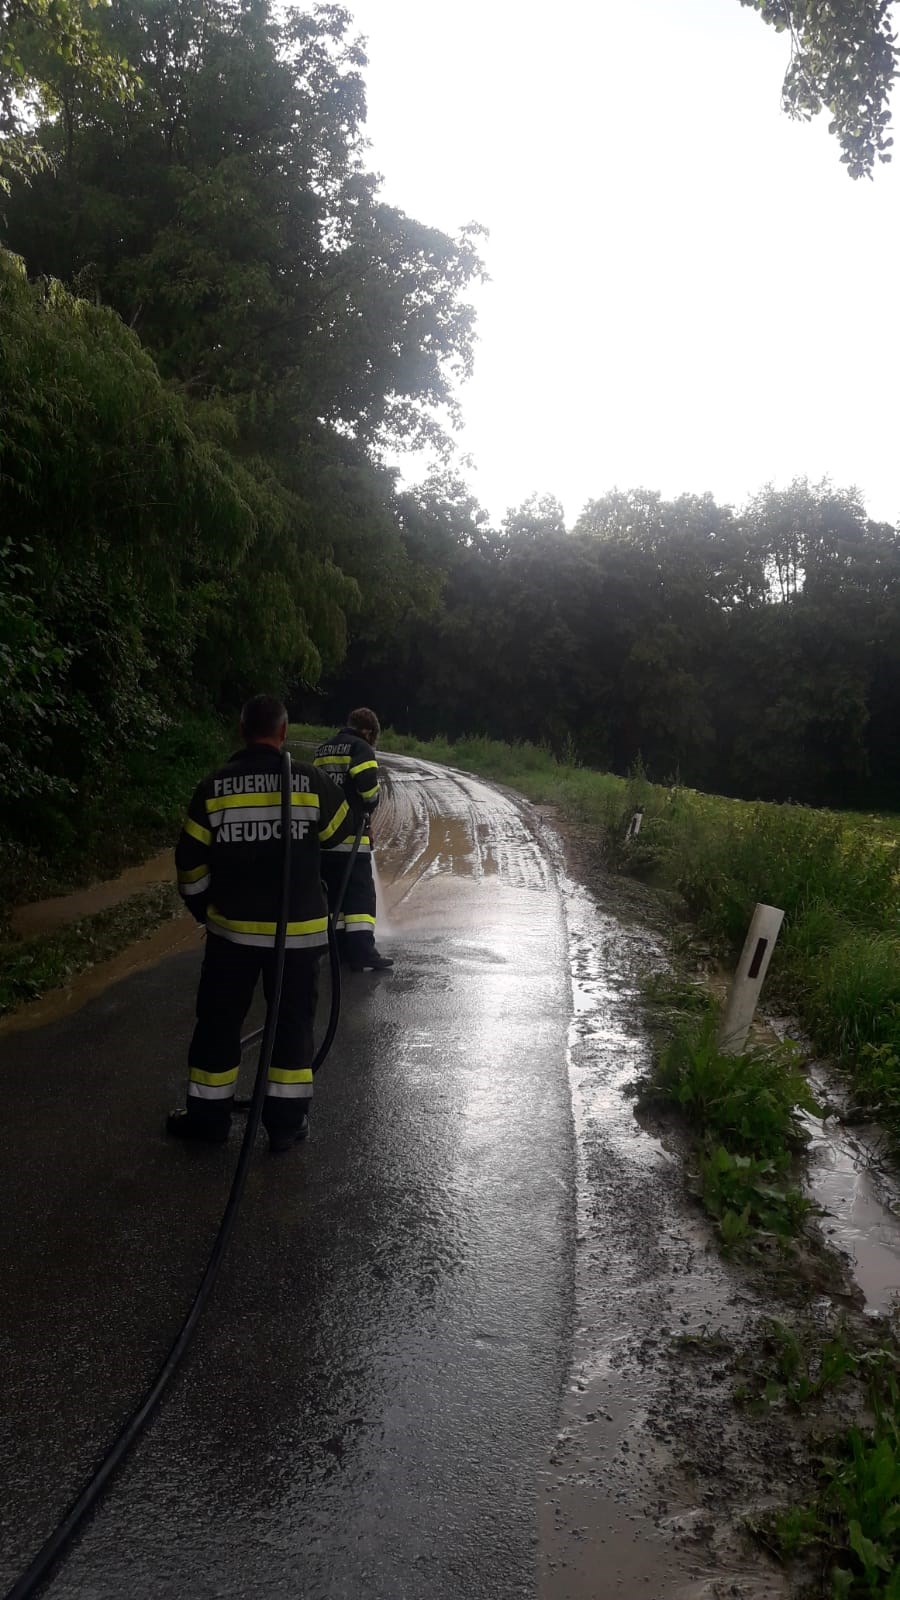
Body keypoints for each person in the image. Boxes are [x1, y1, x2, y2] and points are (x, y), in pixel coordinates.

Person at [168, 694, 353, 1152]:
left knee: (218, 1025)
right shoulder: (309, 781)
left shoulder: (214, 787)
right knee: (291, 1027)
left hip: (231, 936)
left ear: (242, 729)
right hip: (298, 938)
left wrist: (205, 910)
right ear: (284, 732)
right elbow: (342, 836)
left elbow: (189, 865)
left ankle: (208, 1121)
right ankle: (285, 1127)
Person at [314, 708, 394, 972]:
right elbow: (369, 790)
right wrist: (370, 806)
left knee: (335, 896)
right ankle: (362, 952)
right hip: (351, 838)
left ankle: (339, 950)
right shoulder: (361, 748)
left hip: (325, 839)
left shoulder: (323, 749)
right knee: (360, 897)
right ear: (368, 731)